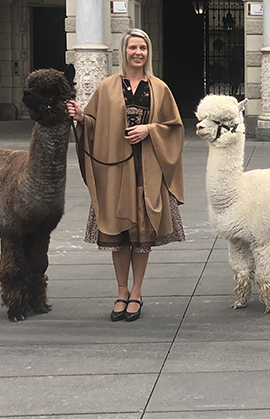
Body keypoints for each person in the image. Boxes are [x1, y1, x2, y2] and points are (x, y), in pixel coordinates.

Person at [67, 29, 185, 322]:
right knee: (118, 233)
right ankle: (121, 291)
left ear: (148, 52)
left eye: (142, 48)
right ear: (124, 52)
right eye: (133, 47)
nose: (138, 53)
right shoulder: (107, 87)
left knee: (141, 237)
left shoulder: (159, 88)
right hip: (114, 169)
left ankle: (137, 291)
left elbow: (174, 127)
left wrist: (150, 130)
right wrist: (82, 118)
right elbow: (94, 122)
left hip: (147, 170)